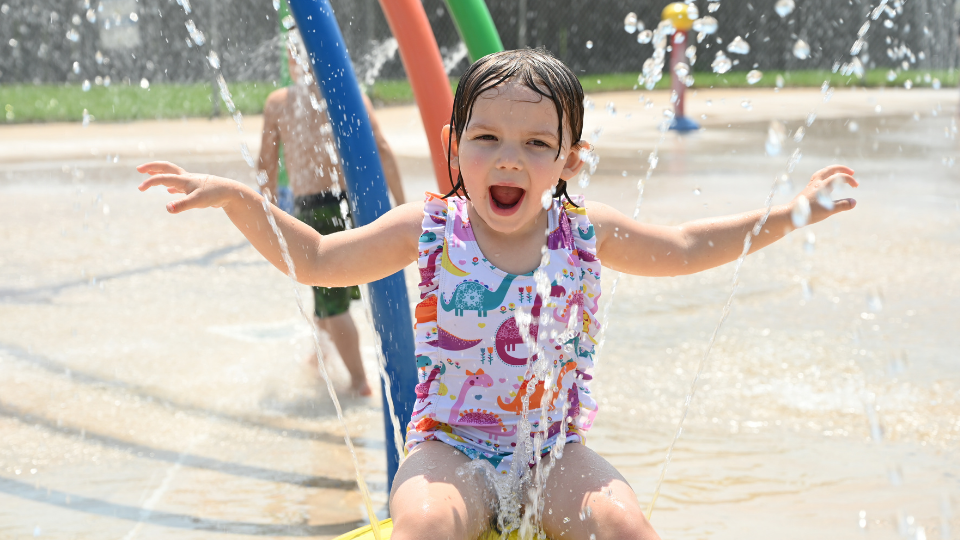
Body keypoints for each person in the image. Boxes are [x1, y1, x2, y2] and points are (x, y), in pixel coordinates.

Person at [137, 49, 858, 540]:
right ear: (453, 147)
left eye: (537, 145)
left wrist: (793, 214)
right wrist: (239, 200)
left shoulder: (582, 233)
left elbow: (686, 246)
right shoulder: (430, 227)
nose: (509, 156)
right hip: (449, 445)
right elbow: (320, 259)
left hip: (552, 452)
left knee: (626, 527)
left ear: (569, 159)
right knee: (424, 526)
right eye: (487, 137)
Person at [257, 36, 406, 397]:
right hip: (349, 205)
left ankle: (358, 381)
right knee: (329, 290)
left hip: (312, 210)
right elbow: (383, 149)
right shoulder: (349, 96)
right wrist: (400, 204)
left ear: (292, 61)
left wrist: (269, 218)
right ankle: (319, 354)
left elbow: (265, 167)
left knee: (330, 296)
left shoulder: (279, 103)